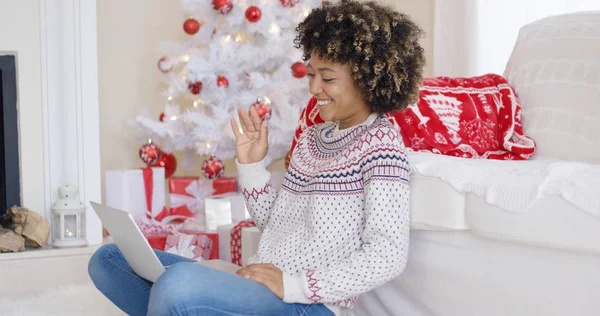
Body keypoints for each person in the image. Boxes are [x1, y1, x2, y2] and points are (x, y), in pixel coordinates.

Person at [88, 0, 425, 315]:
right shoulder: (312, 139)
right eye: (311, 74)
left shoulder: (382, 151)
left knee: (176, 285)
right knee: (109, 260)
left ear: (369, 81)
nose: (314, 88)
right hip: (261, 285)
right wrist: (251, 165)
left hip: (309, 305)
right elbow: (275, 225)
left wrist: (294, 285)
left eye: (327, 78)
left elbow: (387, 255)